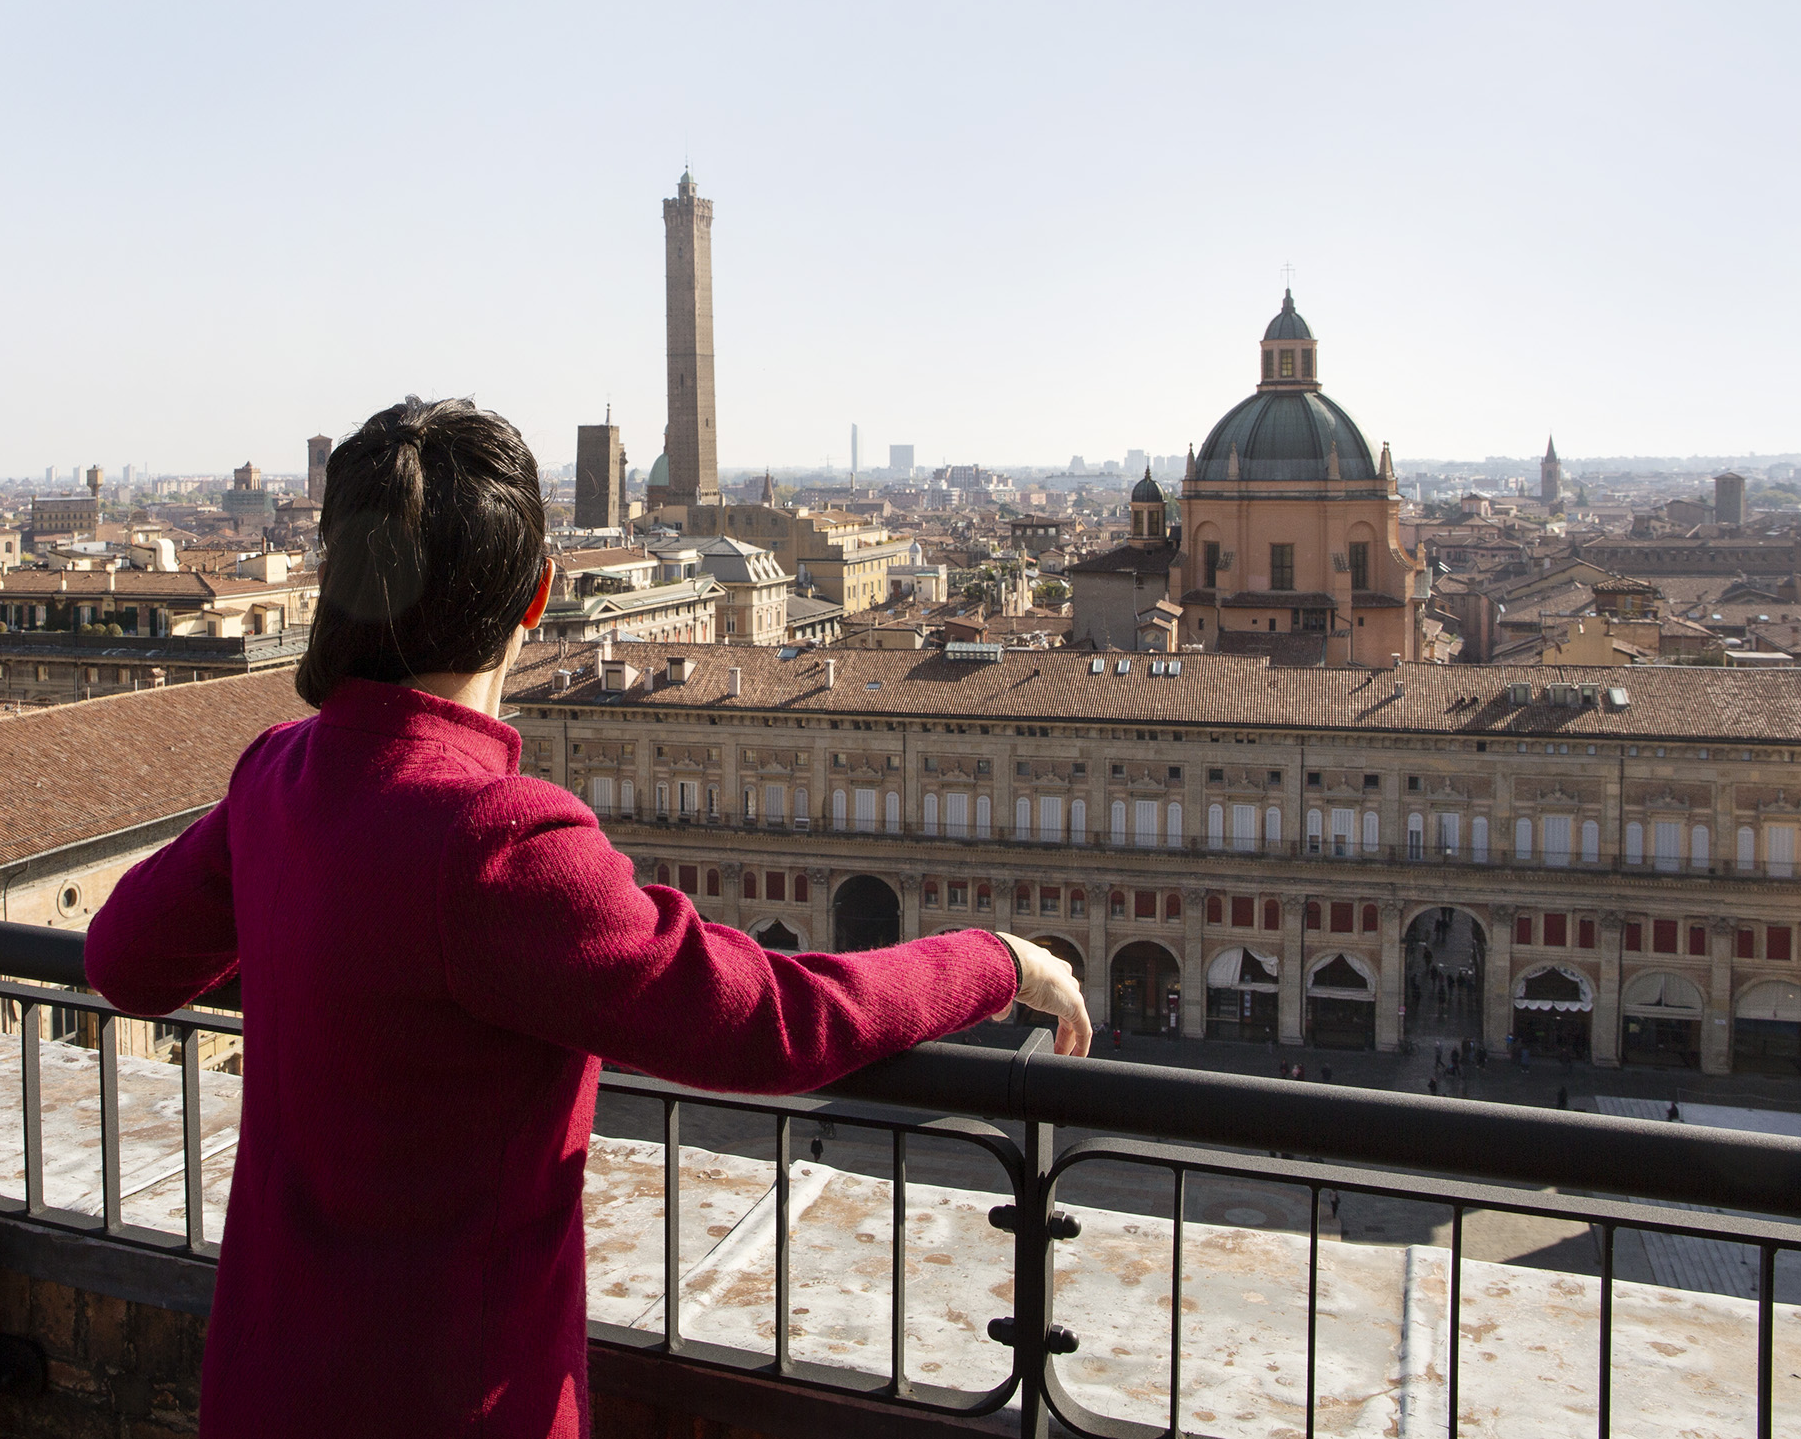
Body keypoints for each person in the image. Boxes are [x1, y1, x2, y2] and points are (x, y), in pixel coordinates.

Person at [85, 398, 1088, 1439]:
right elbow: (765, 1020)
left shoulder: (275, 776)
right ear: (538, 599)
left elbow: (124, 960)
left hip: (262, 1389)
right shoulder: (495, 834)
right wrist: (993, 960)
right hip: (455, 1403)